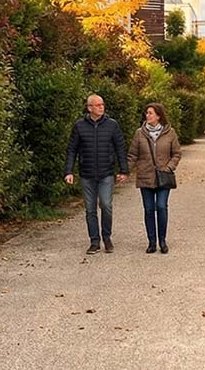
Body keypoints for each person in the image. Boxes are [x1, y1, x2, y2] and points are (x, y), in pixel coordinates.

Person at [64, 94, 129, 254]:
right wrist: (68, 171)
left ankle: (106, 237)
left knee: (106, 205)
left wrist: (124, 170)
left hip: (106, 173)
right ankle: (94, 241)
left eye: (102, 104)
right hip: (87, 174)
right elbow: (72, 149)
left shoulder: (112, 125)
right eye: (97, 105)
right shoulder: (79, 126)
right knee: (90, 209)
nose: (101, 107)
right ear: (89, 108)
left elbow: (120, 148)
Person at [126, 103, 182, 254]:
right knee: (149, 209)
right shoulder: (139, 133)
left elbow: (176, 153)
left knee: (161, 207)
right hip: (145, 176)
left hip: (163, 177)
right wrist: (125, 171)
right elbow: (132, 155)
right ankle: (151, 241)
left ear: (158, 116)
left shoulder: (170, 133)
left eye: (150, 113)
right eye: (146, 113)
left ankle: (162, 240)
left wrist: (169, 167)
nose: (147, 116)